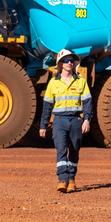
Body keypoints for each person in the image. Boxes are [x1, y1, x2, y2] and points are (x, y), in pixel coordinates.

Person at [39, 48, 93, 193]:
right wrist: (43, 126)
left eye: (72, 61)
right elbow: (47, 106)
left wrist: (87, 120)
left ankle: (72, 180)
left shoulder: (81, 81)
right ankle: (62, 180)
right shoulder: (53, 83)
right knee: (61, 150)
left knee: (74, 151)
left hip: (76, 120)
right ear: (60, 64)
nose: (70, 63)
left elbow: (87, 102)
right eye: (66, 61)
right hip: (59, 122)